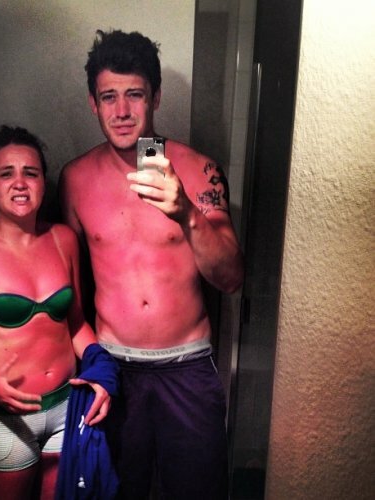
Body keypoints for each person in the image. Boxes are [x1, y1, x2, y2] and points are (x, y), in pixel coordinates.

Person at [59, 30, 244, 499]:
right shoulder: (76, 179)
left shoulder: (198, 170)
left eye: (135, 94)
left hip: (187, 367)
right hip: (113, 370)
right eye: (109, 97)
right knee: (115, 492)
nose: (122, 110)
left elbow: (231, 278)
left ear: (156, 97)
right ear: (93, 103)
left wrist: (186, 213)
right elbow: (67, 285)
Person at [0, 125, 117, 500]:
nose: (20, 183)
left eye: (30, 173)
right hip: (2, 419)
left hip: (66, 408)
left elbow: (75, 323)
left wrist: (102, 369)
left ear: (42, 183)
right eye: (6, 174)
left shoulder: (64, 239)